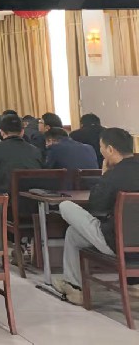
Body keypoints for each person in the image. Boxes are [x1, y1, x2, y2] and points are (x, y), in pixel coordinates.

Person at [54, 127, 139, 305]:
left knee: (65, 205)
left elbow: (96, 207)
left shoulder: (113, 176)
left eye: (101, 147)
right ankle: (72, 284)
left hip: (116, 243)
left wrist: (104, 175)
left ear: (110, 149)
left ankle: (76, 290)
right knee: (73, 234)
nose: (100, 152)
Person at [0, 113, 44, 196]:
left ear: (1, 132)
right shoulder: (36, 151)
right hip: (32, 200)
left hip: (4, 200)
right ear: (22, 132)